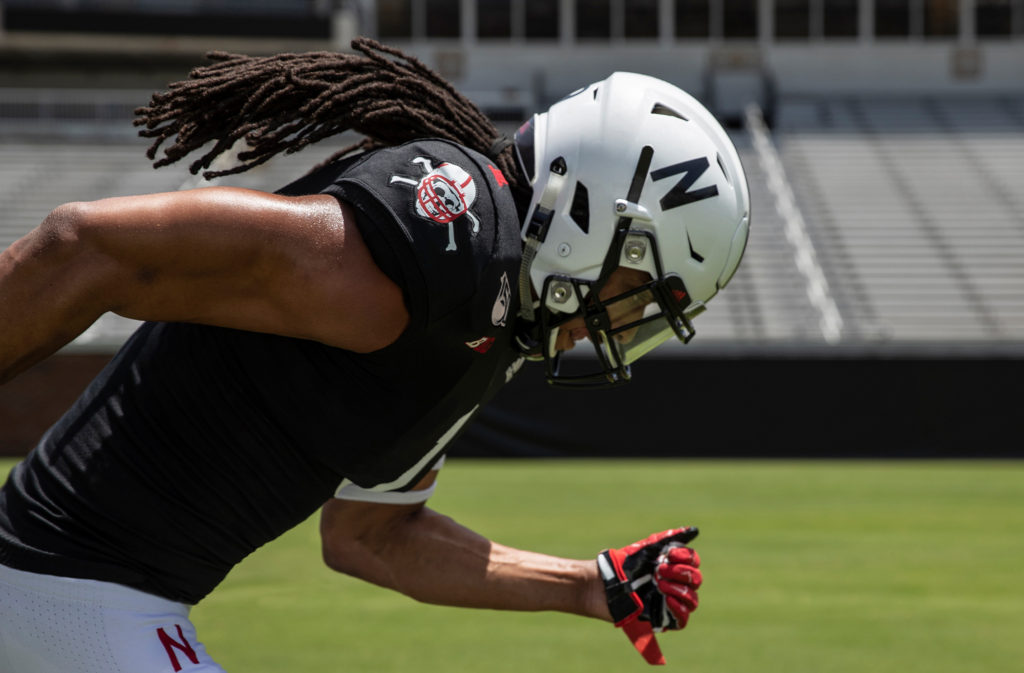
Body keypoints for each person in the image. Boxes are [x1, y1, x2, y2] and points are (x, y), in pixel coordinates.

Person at [0, 38, 749, 671]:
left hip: (93, 596)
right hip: (71, 587)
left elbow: (372, 536)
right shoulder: (447, 246)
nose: (624, 321)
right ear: (588, 210)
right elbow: (86, 248)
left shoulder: (489, 321)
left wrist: (588, 585)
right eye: (637, 289)